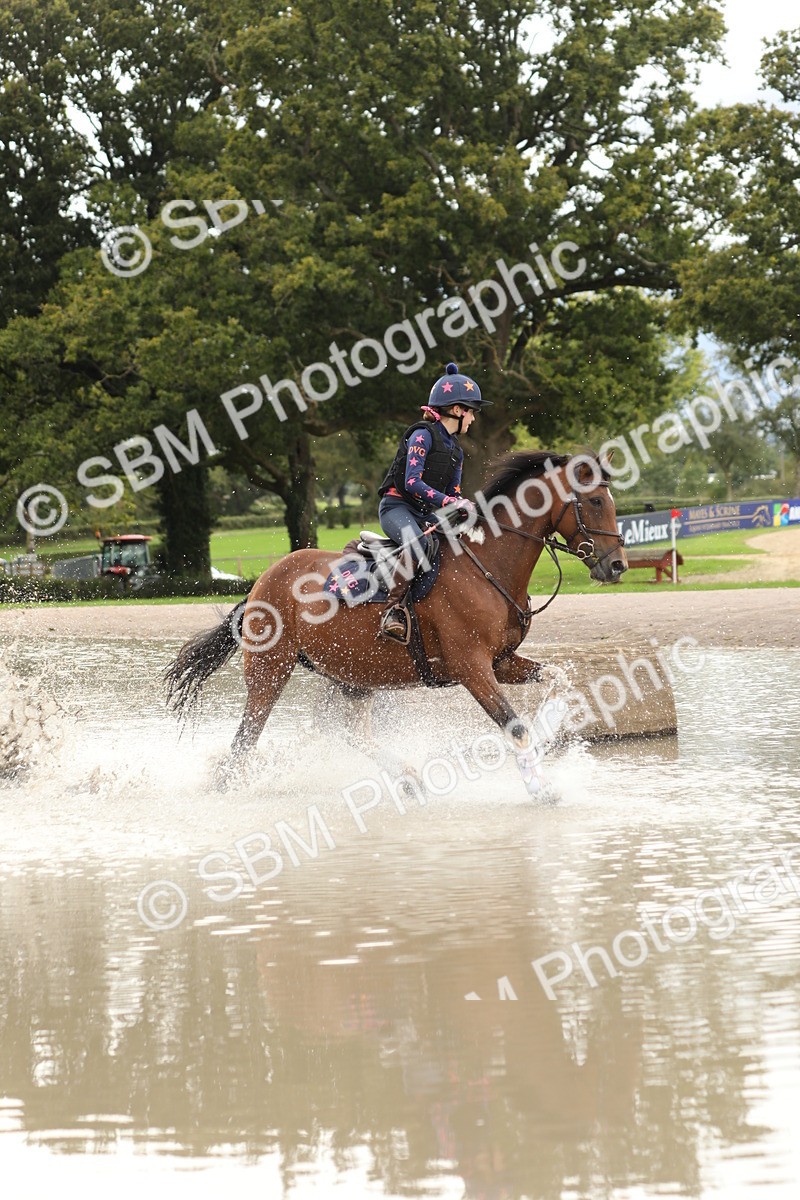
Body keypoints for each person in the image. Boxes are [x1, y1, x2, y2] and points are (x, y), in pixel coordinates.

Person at [377, 362, 492, 641]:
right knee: (418, 543)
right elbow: (411, 483)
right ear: (457, 410)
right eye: (471, 412)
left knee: (457, 545)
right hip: (396, 508)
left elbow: (452, 494)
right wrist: (450, 503)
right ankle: (392, 611)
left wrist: (464, 508)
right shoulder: (422, 435)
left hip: (422, 514)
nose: (473, 419)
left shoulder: (457, 452)